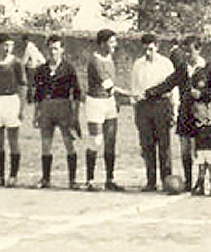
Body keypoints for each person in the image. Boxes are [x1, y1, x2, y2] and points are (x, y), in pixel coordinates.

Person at [147, 36, 211, 192]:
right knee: (185, 149)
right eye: (185, 52)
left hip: (201, 115)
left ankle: (203, 182)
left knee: (202, 150)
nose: (187, 55)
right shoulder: (182, 68)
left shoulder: (208, 68)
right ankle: (188, 181)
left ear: (198, 50)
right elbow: (168, 84)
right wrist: (150, 92)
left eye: (190, 51)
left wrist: (202, 93)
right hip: (184, 113)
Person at [32, 35, 83, 189]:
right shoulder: (41, 69)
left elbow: (77, 92)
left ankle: (72, 180)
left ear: (62, 50)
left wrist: (75, 114)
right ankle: (46, 179)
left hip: (64, 107)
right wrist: (36, 113)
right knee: (46, 144)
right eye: (51, 48)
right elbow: (37, 94)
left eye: (56, 48)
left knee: (69, 143)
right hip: (46, 107)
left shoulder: (68, 68)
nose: (53, 51)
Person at [131, 33, 177, 192]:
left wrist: (174, 110)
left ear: (157, 47)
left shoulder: (166, 64)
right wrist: (135, 110)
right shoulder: (138, 64)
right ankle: (151, 181)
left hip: (161, 105)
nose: (148, 53)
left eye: (151, 49)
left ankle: (167, 180)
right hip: (143, 107)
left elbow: (173, 88)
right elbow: (135, 88)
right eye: (145, 49)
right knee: (147, 146)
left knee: (164, 145)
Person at [0, 33, 26, 187]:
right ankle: (0, 176)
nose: (8, 48)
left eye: (11, 45)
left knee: (13, 141)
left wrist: (21, 108)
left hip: (11, 101)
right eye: (5, 45)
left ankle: (13, 176)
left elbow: (22, 85)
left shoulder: (17, 63)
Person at [83, 30, 122, 191]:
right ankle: (90, 180)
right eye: (112, 42)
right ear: (102, 43)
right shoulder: (95, 61)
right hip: (96, 103)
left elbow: (111, 87)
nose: (115, 45)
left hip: (109, 102)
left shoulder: (110, 58)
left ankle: (109, 179)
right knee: (96, 140)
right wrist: (132, 94)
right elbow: (108, 85)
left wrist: (116, 101)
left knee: (110, 141)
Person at [191, 103, 211, 196]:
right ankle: (201, 187)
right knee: (201, 169)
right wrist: (193, 151)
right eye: (201, 111)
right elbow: (193, 140)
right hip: (200, 150)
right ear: (196, 114)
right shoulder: (195, 126)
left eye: (205, 110)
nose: (204, 113)